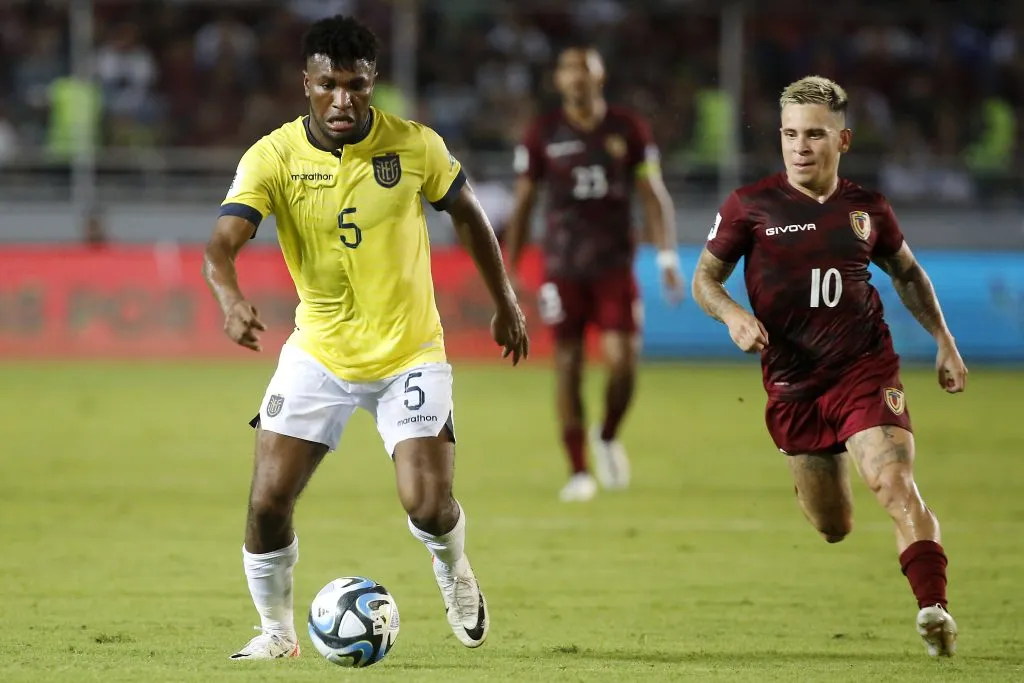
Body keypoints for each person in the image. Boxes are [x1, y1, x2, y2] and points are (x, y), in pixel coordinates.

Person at [201, 15, 528, 660]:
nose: (343, 99)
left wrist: (505, 300)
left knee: (427, 505)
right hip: (319, 350)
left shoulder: (414, 146)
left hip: (408, 350)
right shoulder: (273, 157)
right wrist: (230, 297)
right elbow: (220, 244)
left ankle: (454, 568)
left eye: (356, 84)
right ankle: (276, 633)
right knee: (267, 503)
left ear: (374, 82)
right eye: (329, 85)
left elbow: (467, 214)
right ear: (307, 84)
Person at [691, 75, 966, 657]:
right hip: (793, 385)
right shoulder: (751, 205)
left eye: (814, 135)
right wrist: (734, 317)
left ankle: (934, 609)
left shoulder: (868, 209)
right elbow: (704, 280)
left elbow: (908, 273)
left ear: (843, 140)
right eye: (789, 134)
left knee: (894, 486)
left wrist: (943, 339)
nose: (799, 146)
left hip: (863, 369)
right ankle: (821, 480)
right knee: (834, 525)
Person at [504, 44, 684, 502]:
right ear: (559, 80)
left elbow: (652, 194)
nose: (577, 76)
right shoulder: (542, 133)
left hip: (613, 265)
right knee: (567, 365)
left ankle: (606, 435)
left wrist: (666, 258)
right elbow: (524, 202)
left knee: (624, 362)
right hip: (561, 267)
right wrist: (508, 268)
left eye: (585, 68)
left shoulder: (628, 129)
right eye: (568, 69)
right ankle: (579, 470)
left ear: (600, 76)